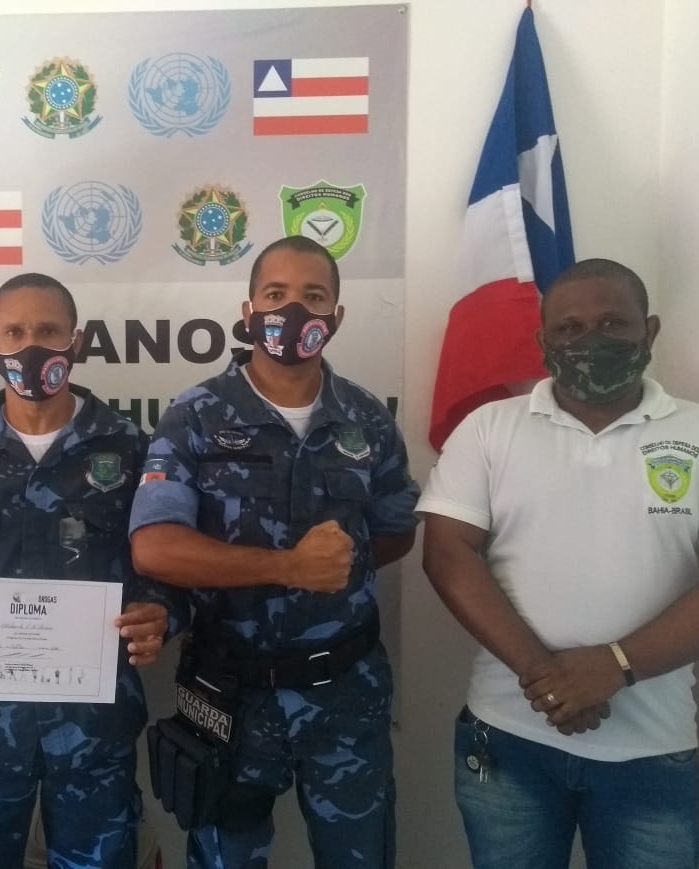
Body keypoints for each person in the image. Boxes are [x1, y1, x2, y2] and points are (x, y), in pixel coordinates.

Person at [417, 258, 699, 869]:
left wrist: (615, 666)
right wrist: (548, 677)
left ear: (649, 331)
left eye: (612, 323)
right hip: (509, 736)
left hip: (650, 752)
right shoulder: (488, 429)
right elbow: (446, 552)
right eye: (569, 329)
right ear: (543, 341)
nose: (591, 340)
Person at [129, 236, 420, 869]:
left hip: (345, 692)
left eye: (313, 296)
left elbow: (396, 529)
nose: (292, 310)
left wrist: (341, 572)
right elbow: (155, 548)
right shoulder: (196, 414)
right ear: (248, 312)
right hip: (227, 692)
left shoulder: (366, 419)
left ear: (336, 316)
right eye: (275, 294)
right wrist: (289, 568)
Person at [0, 273, 185, 869]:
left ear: (76, 342)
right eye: (15, 332)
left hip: (94, 724)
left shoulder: (132, 450)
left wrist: (161, 613)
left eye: (48, 331)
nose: (31, 346)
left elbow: (165, 565)